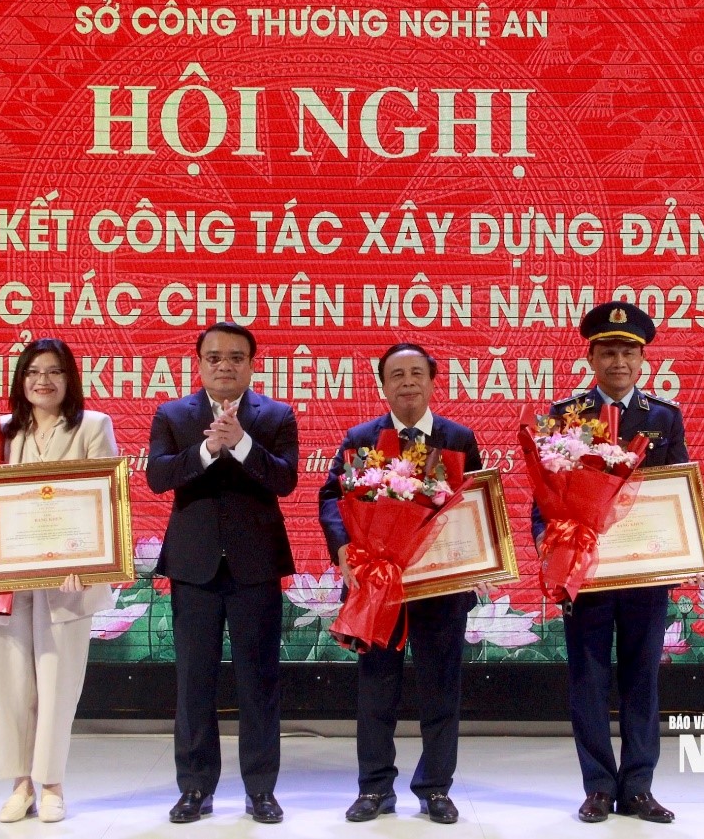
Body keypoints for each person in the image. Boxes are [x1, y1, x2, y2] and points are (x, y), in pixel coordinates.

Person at [533, 301, 687, 825]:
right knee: (588, 679)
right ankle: (598, 787)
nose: (618, 361)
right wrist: (547, 542)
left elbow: (677, 489)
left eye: (628, 352)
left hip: (644, 571)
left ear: (643, 361)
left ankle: (639, 788)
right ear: (591, 358)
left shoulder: (664, 417)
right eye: (608, 352)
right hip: (586, 572)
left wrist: (683, 550)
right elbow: (546, 491)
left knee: (643, 678)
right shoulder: (566, 416)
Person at [318, 342, 482, 825]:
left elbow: (476, 502)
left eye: (416, 373)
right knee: (377, 690)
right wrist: (342, 546)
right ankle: (374, 788)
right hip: (379, 587)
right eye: (397, 375)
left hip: (440, 586)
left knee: (441, 689)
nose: (407, 382)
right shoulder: (361, 438)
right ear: (383, 386)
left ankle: (436, 788)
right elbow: (332, 496)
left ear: (432, 381)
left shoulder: (458, 438)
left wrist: (478, 562)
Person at [147, 321, 299, 825]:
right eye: (214, 357)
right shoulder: (174, 414)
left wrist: (243, 444)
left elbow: (286, 480)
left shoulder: (275, 415)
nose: (225, 366)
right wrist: (208, 450)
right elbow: (157, 477)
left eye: (236, 357)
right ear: (199, 364)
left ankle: (261, 790)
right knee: (194, 683)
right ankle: (195, 787)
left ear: (252, 365)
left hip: (256, 567)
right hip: (194, 568)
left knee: (259, 682)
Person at [0, 337, 117, 824]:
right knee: (11, 681)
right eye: (34, 371)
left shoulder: (93, 426)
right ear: (21, 380)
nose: (44, 380)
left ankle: (53, 783)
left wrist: (91, 561)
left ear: (70, 379)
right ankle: (20, 785)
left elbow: (106, 499)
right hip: (9, 580)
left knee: (58, 683)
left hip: (70, 580)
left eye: (55, 371)